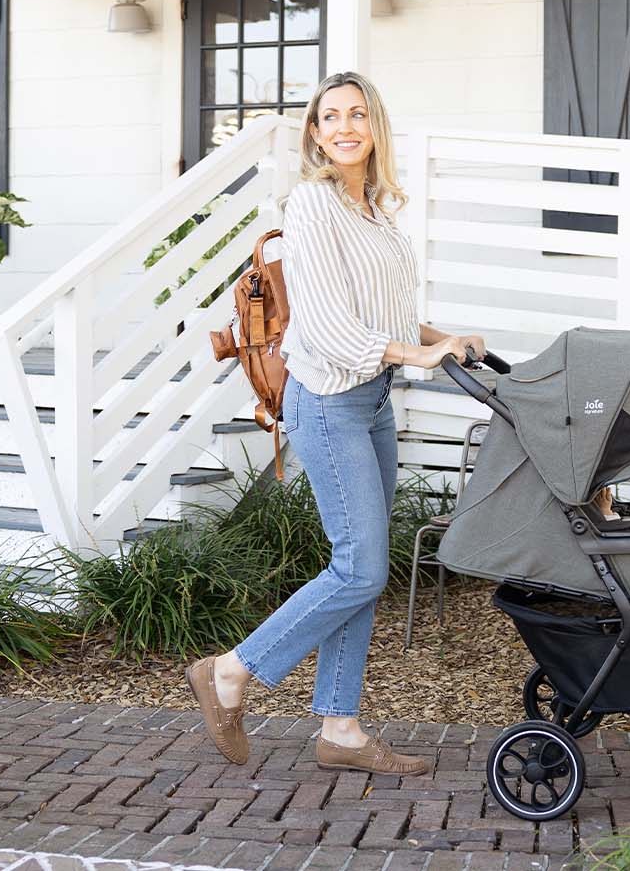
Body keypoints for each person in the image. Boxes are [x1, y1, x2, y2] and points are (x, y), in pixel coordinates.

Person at [184, 71, 486, 777]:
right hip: (326, 400)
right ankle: (231, 672)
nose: (345, 126)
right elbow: (322, 322)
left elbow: (383, 314)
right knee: (359, 566)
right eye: (330, 117)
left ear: (375, 127)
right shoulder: (313, 204)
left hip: (372, 398)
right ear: (315, 134)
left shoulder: (375, 212)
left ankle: (341, 730)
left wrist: (444, 336)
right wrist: (417, 353)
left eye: (357, 114)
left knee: (362, 569)